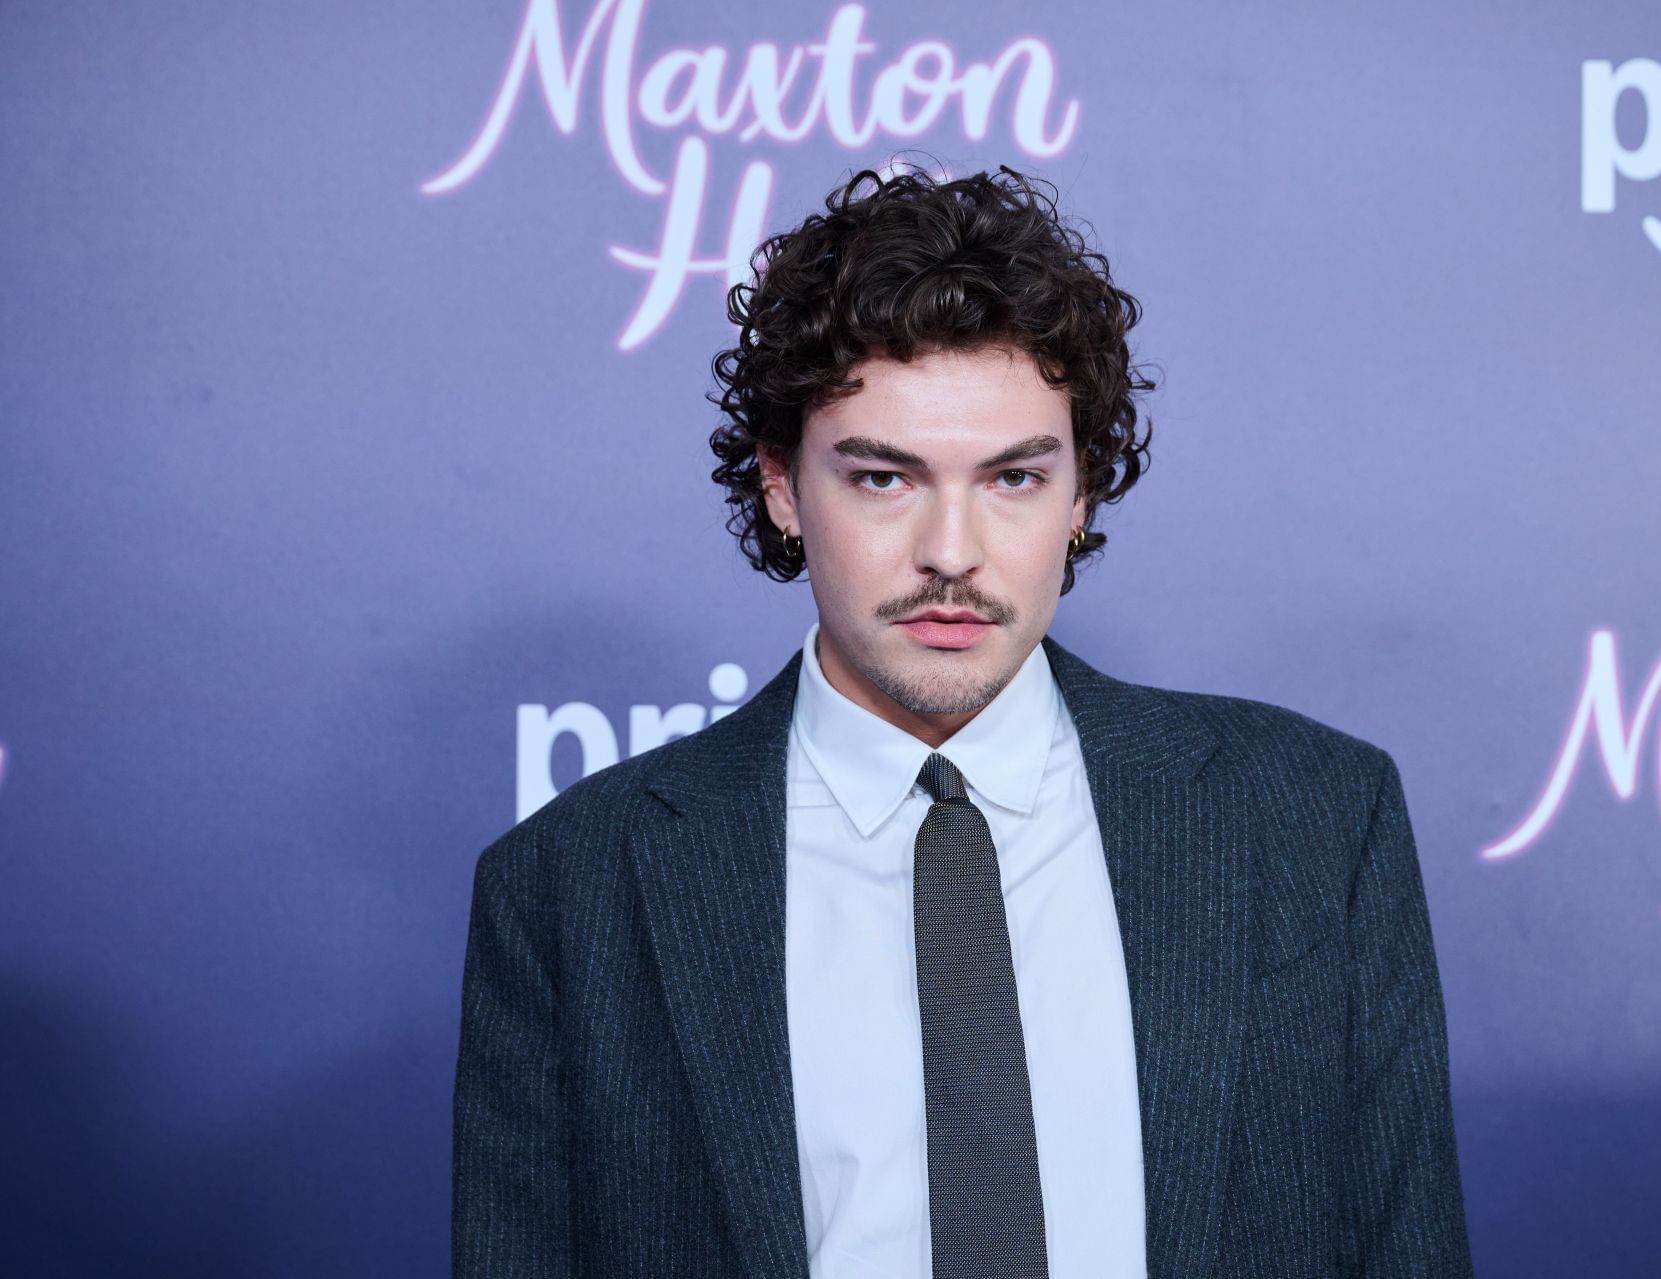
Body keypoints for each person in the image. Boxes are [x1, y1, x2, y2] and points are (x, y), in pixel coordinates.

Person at [452, 162, 1473, 1277]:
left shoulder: (1316, 821)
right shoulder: (569, 884)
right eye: (884, 478)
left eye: (1014, 479)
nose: (952, 551)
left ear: (1083, 492)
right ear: (783, 489)